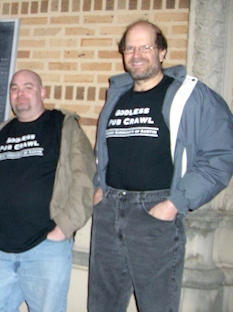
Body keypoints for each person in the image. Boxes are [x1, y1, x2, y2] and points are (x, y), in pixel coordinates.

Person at [88, 20, 233, 312]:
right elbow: (103, 151)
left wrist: (175, 203)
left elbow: (220, 156)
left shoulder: (190, 95)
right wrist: (98, 188)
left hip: (155, 213)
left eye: (145, 46)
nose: (136, 54)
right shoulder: (116, 95)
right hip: (109, 210)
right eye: (129, 47)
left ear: (162, 52)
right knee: (102, 307)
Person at [0, 69, 96, 312]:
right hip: (0, 244)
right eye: (15, 88)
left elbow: (85, 179)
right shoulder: (3, 131)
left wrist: (63, 229)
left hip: (46, 244)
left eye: (28, 87)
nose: (20, 93)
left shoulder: (62, 125)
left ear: (42, 92)